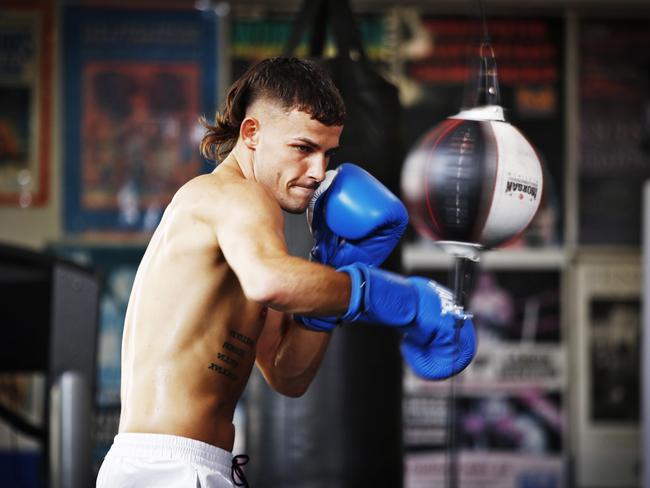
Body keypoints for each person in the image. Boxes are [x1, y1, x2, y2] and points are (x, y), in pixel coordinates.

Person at [96, 57, 476, 488]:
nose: (318, 172)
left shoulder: (245, 234)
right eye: (303, 148)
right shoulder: (236, 197)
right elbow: (270, 281)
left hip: (183, 464)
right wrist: (397, 297)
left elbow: (287, 373)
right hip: (169, 469)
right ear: (252, 132)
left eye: (328, 153)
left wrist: (331, 275)